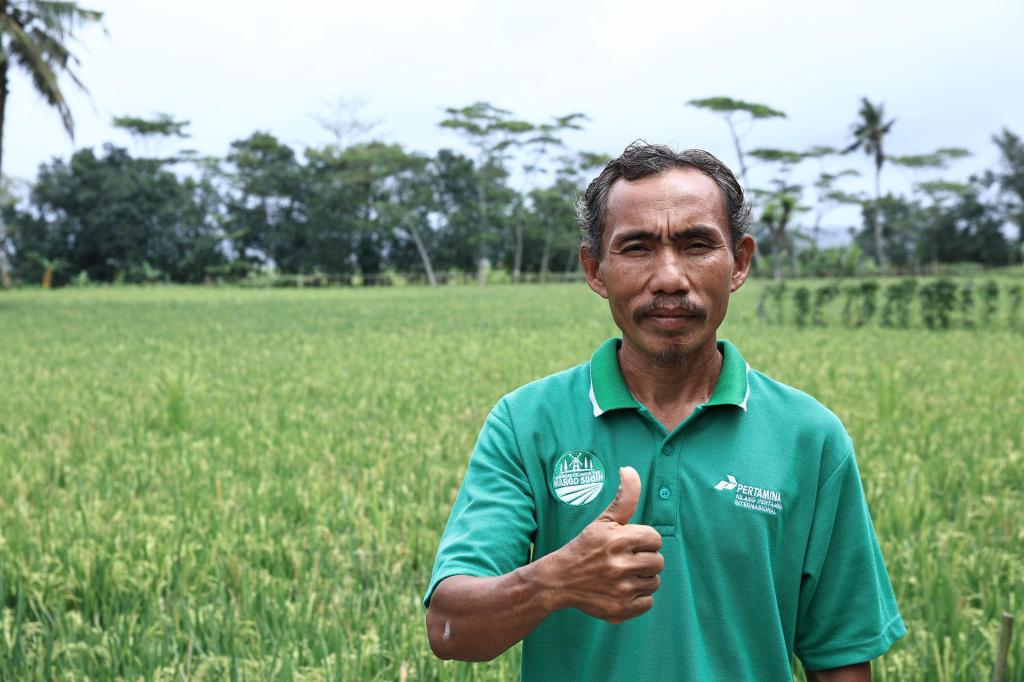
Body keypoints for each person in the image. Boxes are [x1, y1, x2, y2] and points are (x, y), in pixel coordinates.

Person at [423, 143, 905, 681]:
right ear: (595, 269)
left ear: (740, 262)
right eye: (637, 248)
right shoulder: (528, 423)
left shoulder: (809, 437)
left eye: (697, 245)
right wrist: (553, 581)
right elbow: (449, 627)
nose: (670, 277)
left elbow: (840, 658)